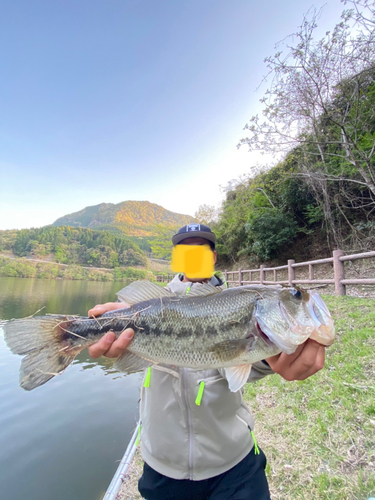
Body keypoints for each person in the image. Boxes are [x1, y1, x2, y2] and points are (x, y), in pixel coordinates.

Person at [88, 224, 325, 499]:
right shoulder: (152, 302)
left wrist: (274, 359)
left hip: (234, 464)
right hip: (162, 466)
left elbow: (241, 361)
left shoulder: (240, 302)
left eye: (201, 249)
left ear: (213, 257)